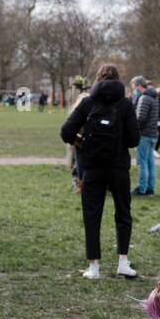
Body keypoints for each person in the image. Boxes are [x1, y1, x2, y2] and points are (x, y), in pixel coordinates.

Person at [59, 63, 140, 281]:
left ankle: (93, 266)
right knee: (123, 214)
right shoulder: (125, 105)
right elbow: (134, 139)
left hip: (92, 167)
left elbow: (66, 131)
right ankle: (123, 262)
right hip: (119, 167)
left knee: (92, 215)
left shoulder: (87, 103)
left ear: (98, 79)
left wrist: (81, 143)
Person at [133, 76, 160, 196]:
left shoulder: (144, 98)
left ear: (139, 86)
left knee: (142, 163)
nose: (134, 89)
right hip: (153, 133)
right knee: (150, 162)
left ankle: (142, 188)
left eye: (134, 86)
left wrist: (133, 128)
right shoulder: (154, 98)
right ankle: (150, 188)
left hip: (144, 134)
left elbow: (141, 118)